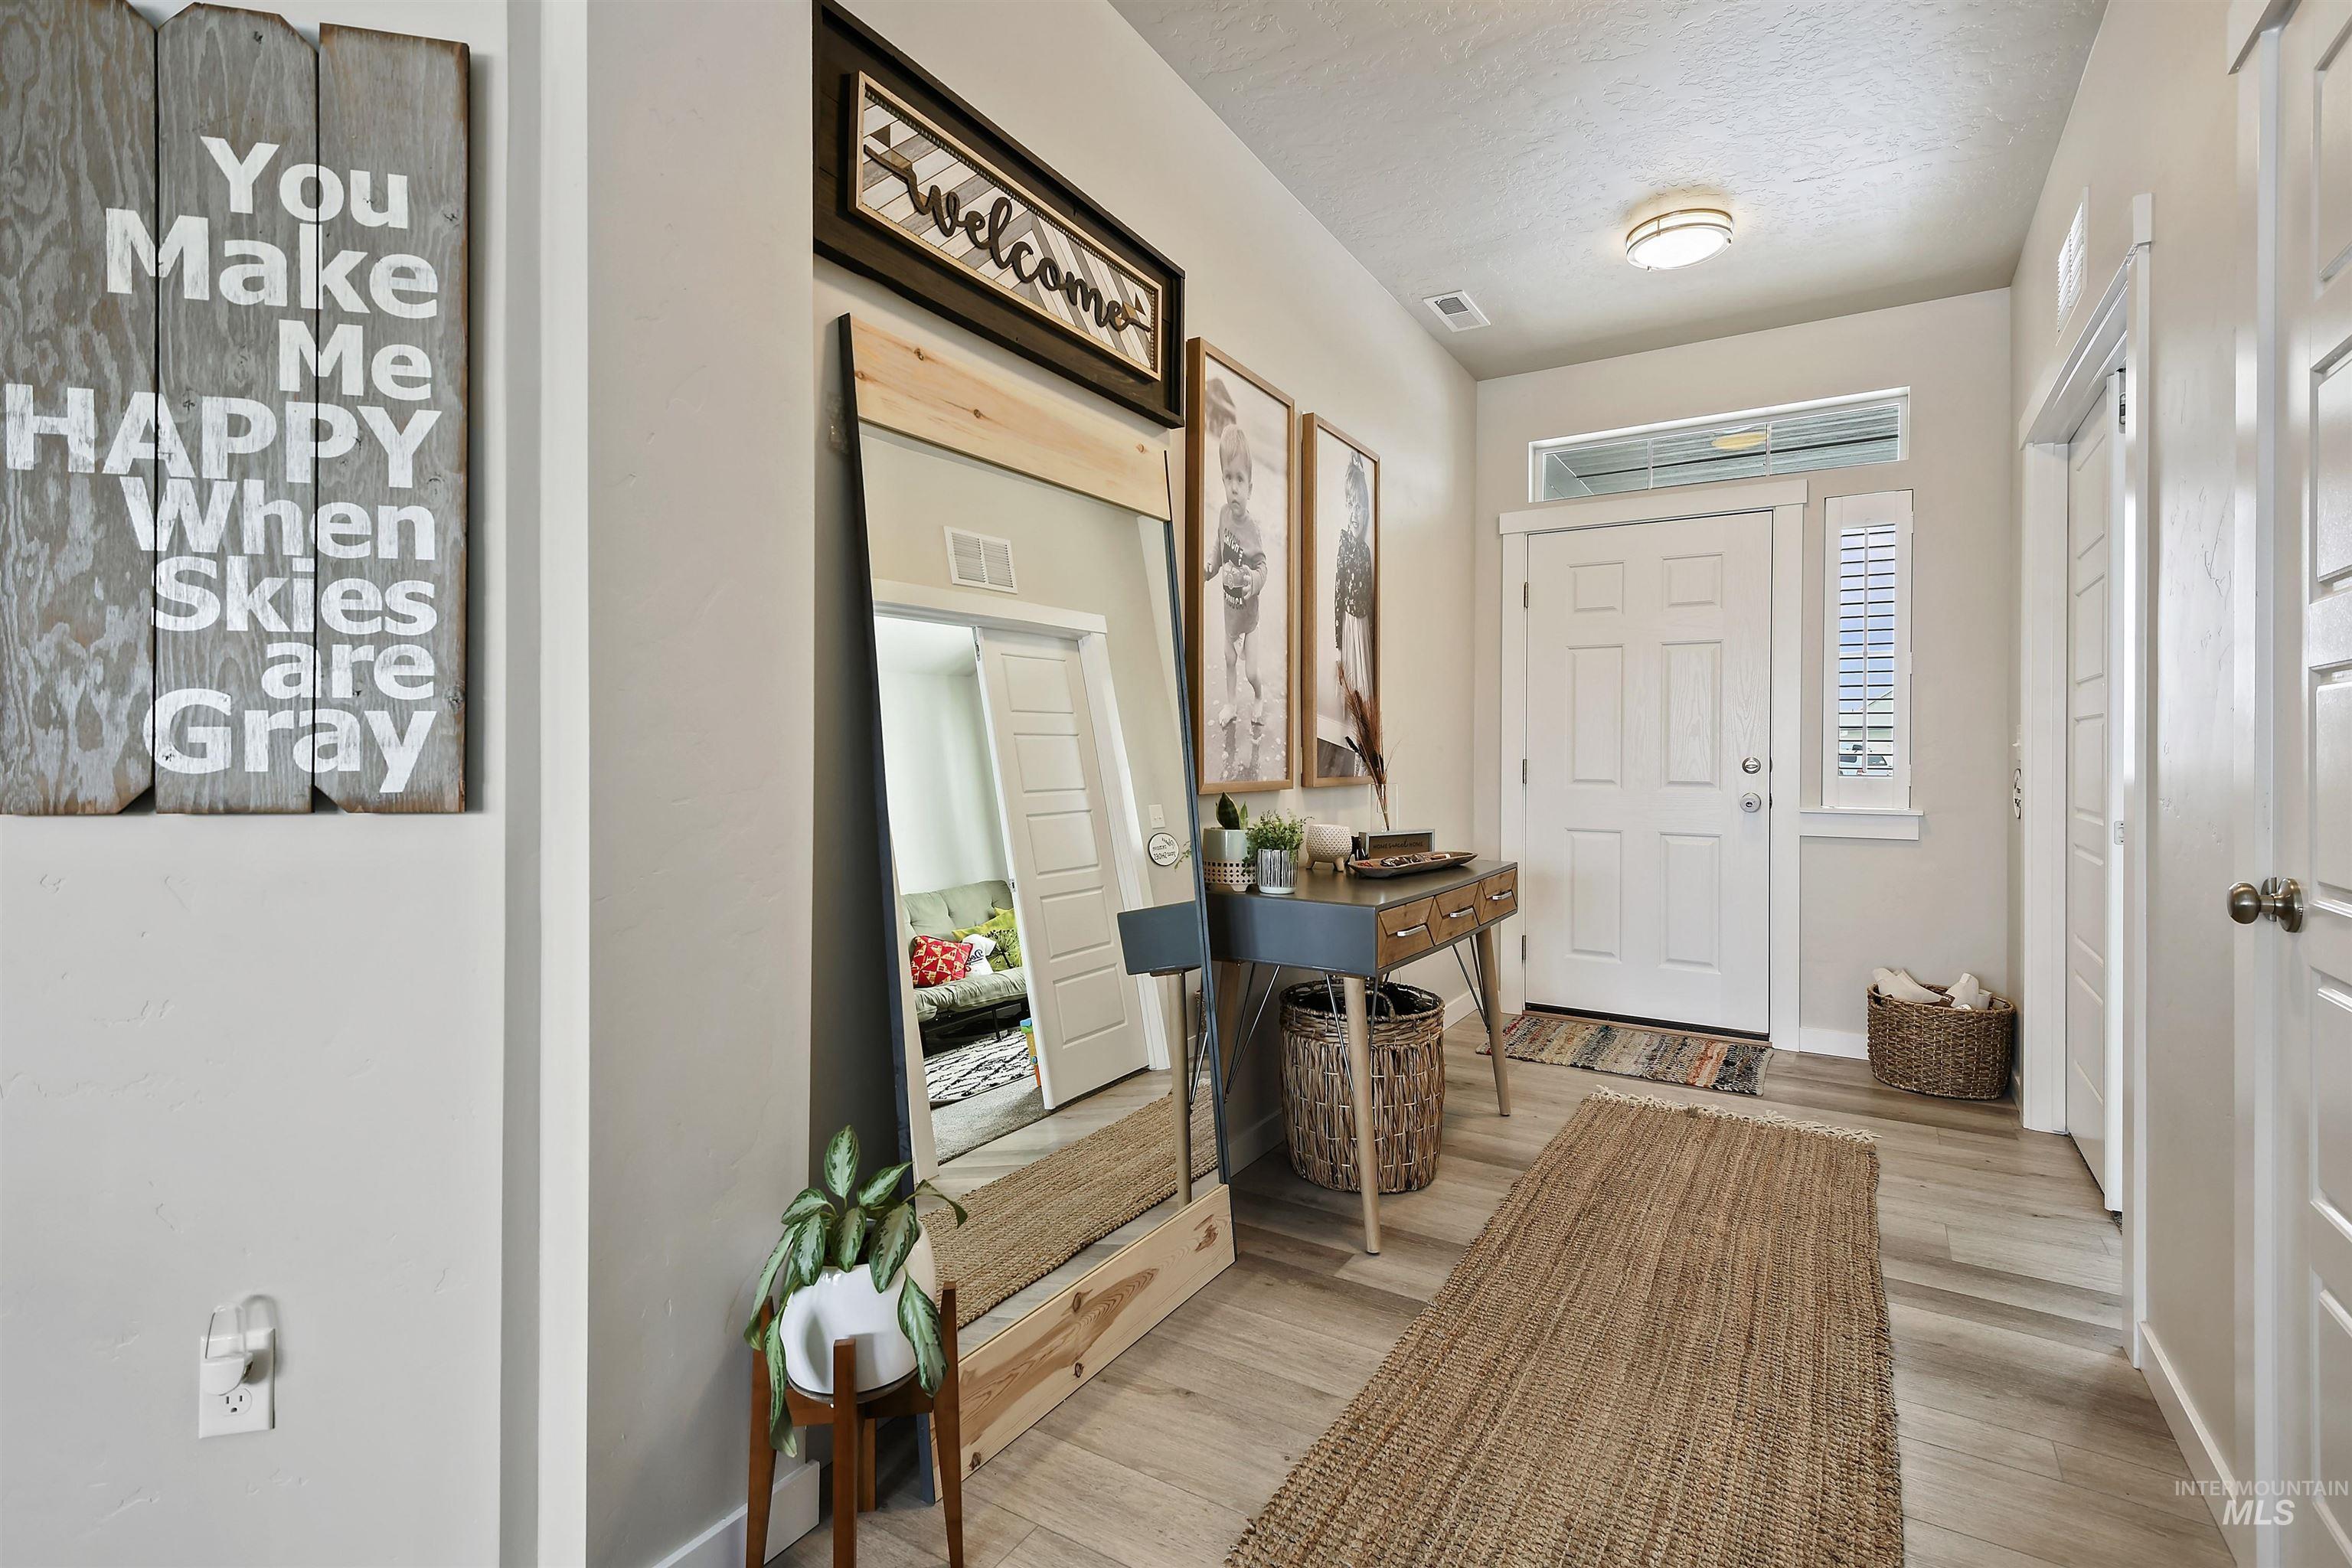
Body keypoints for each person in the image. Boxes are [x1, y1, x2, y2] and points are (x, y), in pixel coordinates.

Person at [1203, 379, 1269, 776]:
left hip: (1250, 615)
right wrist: (1211, 570)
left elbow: (1263, 566)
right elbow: (1216, 547)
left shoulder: (1254, 529)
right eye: (1228, 479)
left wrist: (1254, 583)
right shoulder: (1224, 517)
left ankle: (1257, 696)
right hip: (1229, 613)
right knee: (1228, 659)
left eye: (1239, 480)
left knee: (1251, 670)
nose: (1233, 488)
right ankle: (1231, 703)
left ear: (1250, 485)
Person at [1331, 451, 1375, 773]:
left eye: (1360, 506)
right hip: (1349, 627)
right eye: (1350, 506)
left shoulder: (1366, 551)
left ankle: (1366, 754)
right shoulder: (1345, 545)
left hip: (1363, 628)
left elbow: (1371, 602)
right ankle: (1354, 749)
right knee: (1353, 690)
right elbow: (1337, 595)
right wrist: (1337, 645)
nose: (1355, 514)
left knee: (1366, 693)